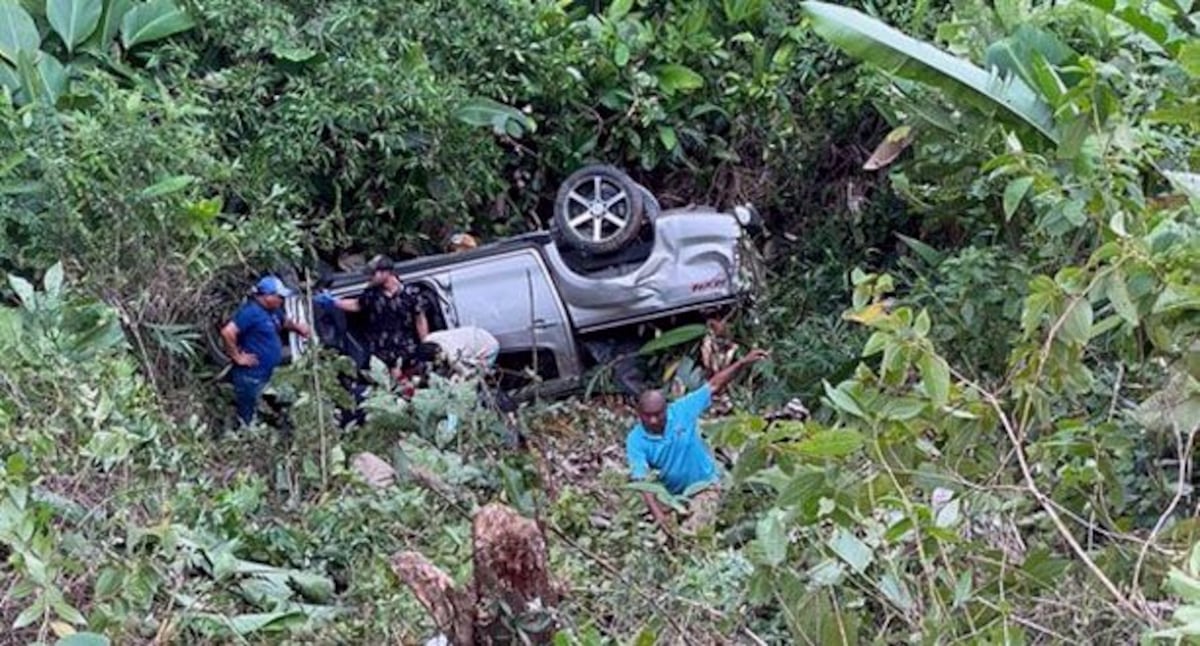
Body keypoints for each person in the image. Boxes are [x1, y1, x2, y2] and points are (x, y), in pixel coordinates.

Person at [626, 348, 769, 535]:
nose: (653, 420)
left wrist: (742, 362)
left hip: (706, 485)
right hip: (674, 496)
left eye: (658, 415)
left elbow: (714, 385)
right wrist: (659, 515)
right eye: (648, 416)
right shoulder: (636, 440)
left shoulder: (682, 410)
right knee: (663, 540)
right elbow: (641, 480)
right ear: (638, 413)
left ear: (666, 410)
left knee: (694, 533)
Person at [314, 256, 429, 380]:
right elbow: (357, 305)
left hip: (407, 351)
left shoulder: (411, 293)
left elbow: (420, 320)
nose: (370, 277)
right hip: (381, 353)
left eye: (373, 274)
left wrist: (426, 345)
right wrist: (333, 302)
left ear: (386, 273)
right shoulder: (372, 294)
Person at [220, 275, 311, 426]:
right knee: (248, 414)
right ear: (266, 296)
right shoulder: (250, 312)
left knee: (281, 404)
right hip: (251, 376)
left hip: (270, 374)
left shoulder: (273, 310)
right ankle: (247, 437)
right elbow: (227, 332)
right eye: (279, 296)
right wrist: (237, 356)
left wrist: (298, 328)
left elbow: (283, 322)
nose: (281, 300)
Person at [418, 325, 500, 379]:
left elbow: (466, 374)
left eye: (437, 359)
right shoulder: (429, 339)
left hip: (488, 347)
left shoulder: (453, 357)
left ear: (438, 353)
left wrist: (460, 377)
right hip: (476, 333)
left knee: (476, 378)